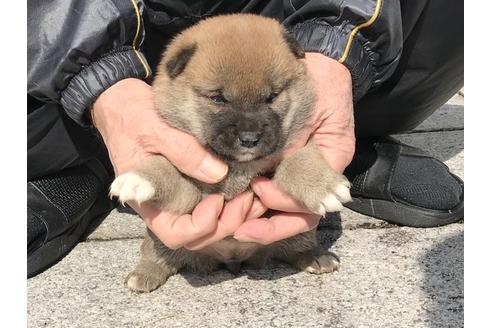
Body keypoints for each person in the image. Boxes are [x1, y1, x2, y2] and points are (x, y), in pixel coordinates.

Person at [27, 0, 464, 277]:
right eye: (218, 100)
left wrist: (339, 45)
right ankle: (85, 160)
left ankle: (353, 139)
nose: (250, 127)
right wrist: (99, 82)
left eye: (270, 98)